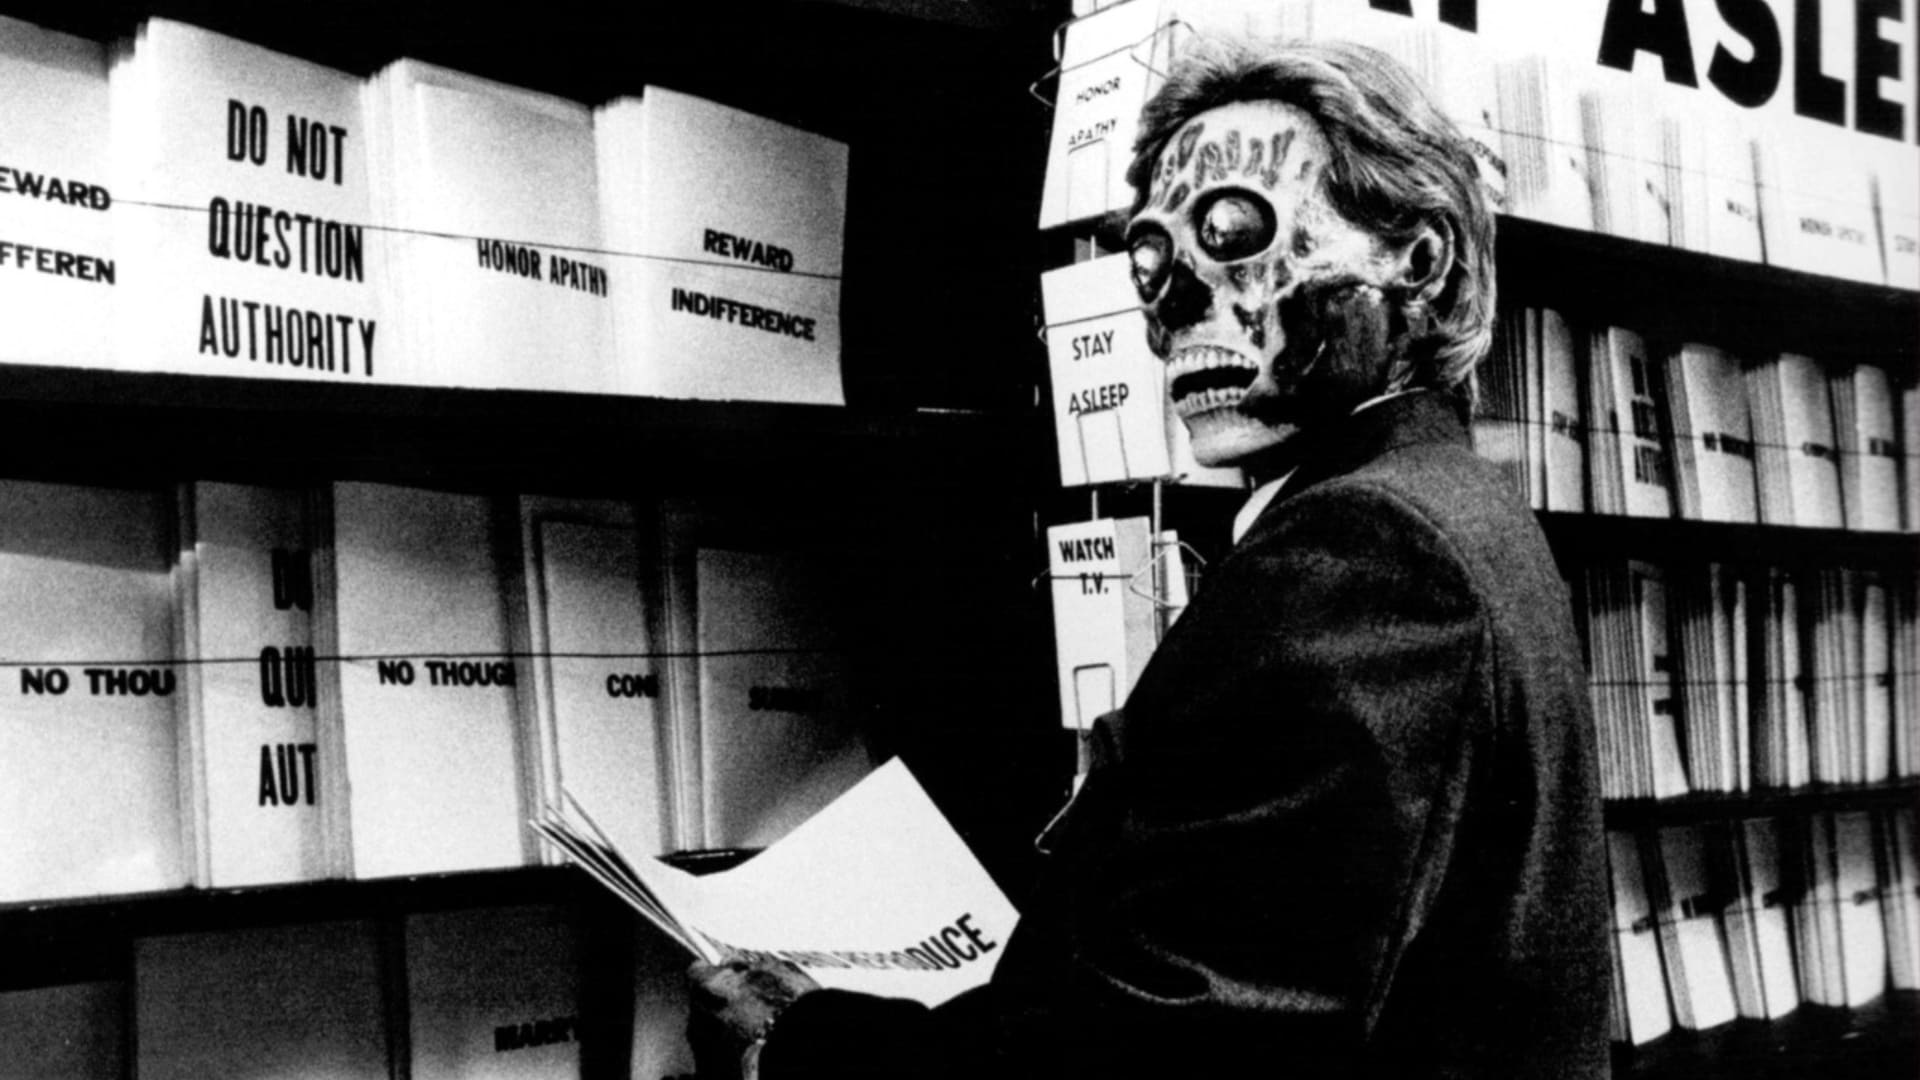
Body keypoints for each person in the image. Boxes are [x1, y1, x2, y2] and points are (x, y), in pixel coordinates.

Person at [691, 37, 1611, 1079]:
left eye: (1235, 233)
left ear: (1419, 260)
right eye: (1152, 259)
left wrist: (802, 1041)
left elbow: (1169, 1046)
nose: (1170, 305)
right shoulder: (1455, 500)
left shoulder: (1368, 546)